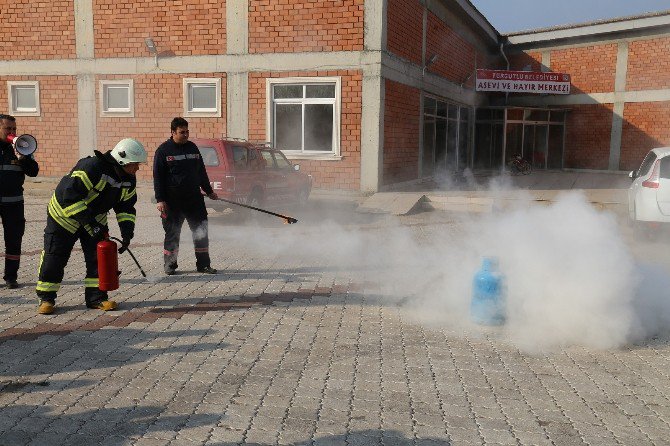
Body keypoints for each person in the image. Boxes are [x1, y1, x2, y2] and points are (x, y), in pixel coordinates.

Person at [35, 138, 147, 315]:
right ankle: (46, 298)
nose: (137, 169)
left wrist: (127, 233)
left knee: (98, 257)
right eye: (134, 164)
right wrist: (91, 224)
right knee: (55, 256)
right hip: (64, 216)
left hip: (95, 218)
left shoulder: (128, 179)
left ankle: (96, 298)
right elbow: (69, 197)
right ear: (121, 160)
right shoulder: (92, 167)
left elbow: (126, 207)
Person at [153, 117, 218, 275]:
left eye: (187, 131)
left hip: (194, 200)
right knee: (173, 234)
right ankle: (170, 265)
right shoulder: (163, 151)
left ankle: (203, 265)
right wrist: (160, 199)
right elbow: (158, 177)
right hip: (172, 202)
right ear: (173, 132)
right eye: (182, 132)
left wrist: (209, 191)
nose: (186, 134)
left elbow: (201, 172)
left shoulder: (193, 148)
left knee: (201, 232)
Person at [0, 114, 39, 288]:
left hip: (14, 203)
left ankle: (11, 277)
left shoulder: (22, 147)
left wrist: (24, 158)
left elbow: (34, 172)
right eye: (8, 129)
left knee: (14, 240)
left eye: (14, 129)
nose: (12, 132)